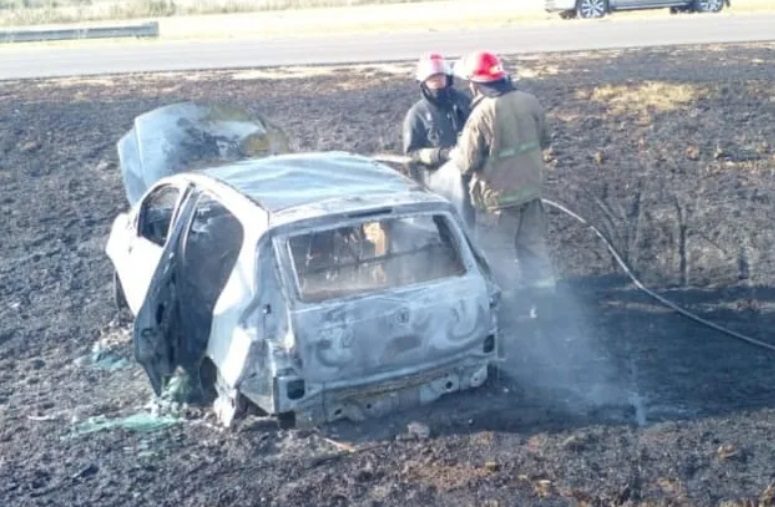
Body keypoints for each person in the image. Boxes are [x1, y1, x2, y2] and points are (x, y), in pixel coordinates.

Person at [450, 51, 555, 304]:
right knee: (533, 249)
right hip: (530, 194)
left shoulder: (482, 114)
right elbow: (544, 140)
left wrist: (454, 152)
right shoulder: (529, 101)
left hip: (497, 202)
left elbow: (466, 163)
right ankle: (547, 303)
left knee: (499, 257)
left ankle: (513, 308)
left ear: (474, 83)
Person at [402, 53, 474, 228]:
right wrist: (442, 154)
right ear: (423, 83)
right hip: (437, 180)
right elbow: (411, 154)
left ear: (448, 78)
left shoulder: (464, 103)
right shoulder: (417, 114)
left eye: (441, 78)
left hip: (471, 175)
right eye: (432, 79)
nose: (438, 83)